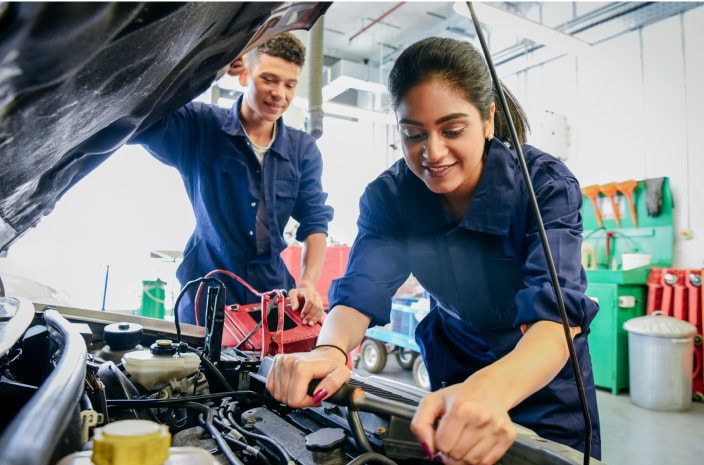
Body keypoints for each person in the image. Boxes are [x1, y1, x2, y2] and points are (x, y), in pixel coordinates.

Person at [265, 36, 601, 464]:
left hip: (544, 379)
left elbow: (556, 322)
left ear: (489, 120)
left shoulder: (545, 188)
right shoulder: (390, 197)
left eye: (453, 130)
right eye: (413, 134)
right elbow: (360, 292)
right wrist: (328, 350)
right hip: (456, 366)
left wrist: (487, 391)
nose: (433, 152)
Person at [131, 33, 334, 326]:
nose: (280, 94)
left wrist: (307, 284)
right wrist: (209, 69)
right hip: (207, 298)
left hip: (272, 299)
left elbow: (315, 221)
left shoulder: (303, 151)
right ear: (243, 76)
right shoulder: (200, 127)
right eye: (269, 79)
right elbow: (141, 115)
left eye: (290, 85)